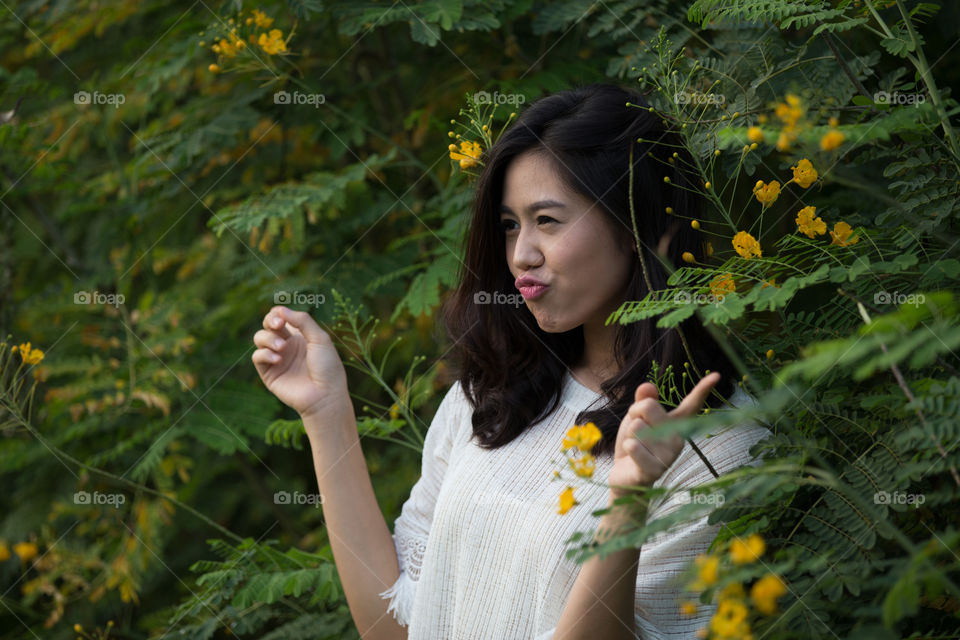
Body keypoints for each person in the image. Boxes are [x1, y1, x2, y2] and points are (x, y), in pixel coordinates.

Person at [252, 82, 771, 639]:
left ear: (638, 227)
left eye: (548, 221)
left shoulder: (716, 446)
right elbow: (393, 626)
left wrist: (628, 503)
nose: (521, 254)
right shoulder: (497, 393)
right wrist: (327, 414)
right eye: (510, 225)